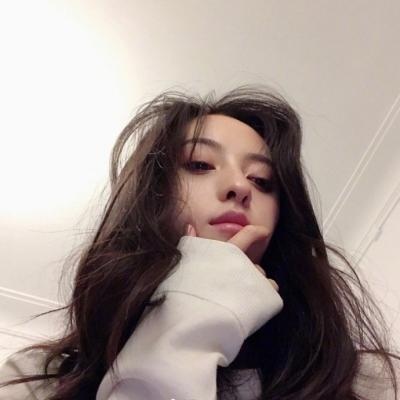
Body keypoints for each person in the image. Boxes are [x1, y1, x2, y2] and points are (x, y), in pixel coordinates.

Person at [0, 85, 399, 399]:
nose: (240, 185)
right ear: (149, 195)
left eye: (262, 180)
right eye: (200, 164)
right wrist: (190, 318)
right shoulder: (37, 380)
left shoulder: (366, 381)